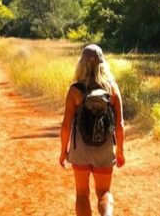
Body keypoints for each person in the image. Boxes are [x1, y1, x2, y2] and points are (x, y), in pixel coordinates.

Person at [59, 44, 125, 216]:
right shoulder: (112, 88)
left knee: (82, 194)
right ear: (103, 63)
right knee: (104, 192)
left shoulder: (75, 90)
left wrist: (63, 151)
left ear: (81, 64)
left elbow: (66, 125)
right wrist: (120, 152)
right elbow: (120, 125)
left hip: (79, 149)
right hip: (104, 148)